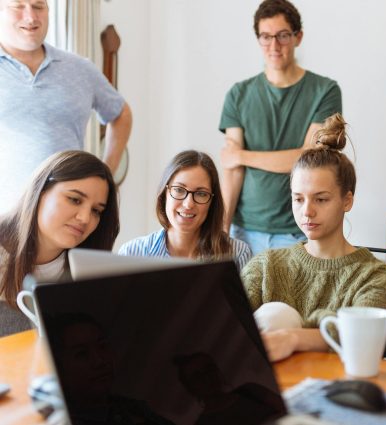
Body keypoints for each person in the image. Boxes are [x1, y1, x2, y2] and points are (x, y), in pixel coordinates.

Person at [242, 113, 386, 362]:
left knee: (278, 315)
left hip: (340, 392)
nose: (307, 211)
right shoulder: (265, 266)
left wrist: (293, 337)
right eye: (298, 199)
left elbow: (361, 337)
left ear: (347, 200)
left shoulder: (378, 277)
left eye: (321, 199)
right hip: (266, 393)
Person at [219, 0, 342, 256]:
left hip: (298, 230)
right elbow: (232, 171)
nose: (274, 46)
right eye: (266, 37)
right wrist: (222, 229)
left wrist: (242, 155)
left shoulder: (325, 91)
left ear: (298, 37)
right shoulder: (238, 94)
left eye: (283, 36)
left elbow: (308, 159)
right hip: (243, 232)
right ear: (258, 40)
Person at [0, 0, 133, 215]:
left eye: (38, 6)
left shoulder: (80, 68)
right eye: (18, 7)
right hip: (5, 221)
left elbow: (121, 114)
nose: (31, 17)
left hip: (70, 218)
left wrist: (105, 174)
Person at [0, 150, 120, 337]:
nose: (85, 218)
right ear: (40, 191)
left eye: (96, 210)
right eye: (74, 199)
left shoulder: (88, 271)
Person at [119, 150, 251, 271]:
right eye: (179, 190)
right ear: (165, 194)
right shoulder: (131, 254)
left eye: (201, 193)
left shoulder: (238, 254)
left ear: (212, 202)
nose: (188, 204)